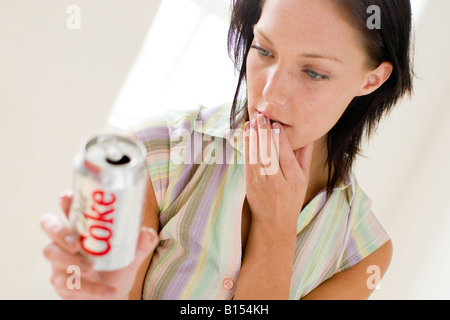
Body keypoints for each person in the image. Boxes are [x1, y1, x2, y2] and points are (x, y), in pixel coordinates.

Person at [41, 0, 414, 300]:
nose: (270, 93)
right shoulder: (153, 153)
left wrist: (277, 230)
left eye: (314, 72)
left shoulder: (361, 252)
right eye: (263, 50)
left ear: (372, 79)